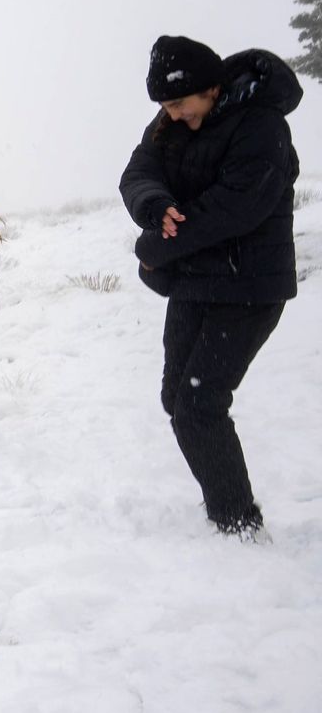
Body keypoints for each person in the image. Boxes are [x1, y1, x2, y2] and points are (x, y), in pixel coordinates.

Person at [119, 35, 301, 542]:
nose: (173, 116)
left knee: (200, 406)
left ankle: (238, 524)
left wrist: (158, 248)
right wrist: (154, 207)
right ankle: (224, 505)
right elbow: (137, 173)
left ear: (211, 89)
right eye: (165, 107)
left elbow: (237, 208)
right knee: (177, 399)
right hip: (196, 286)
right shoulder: (169, 126)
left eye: (179, 103)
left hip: (249, 288)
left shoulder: (261, 125)